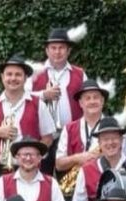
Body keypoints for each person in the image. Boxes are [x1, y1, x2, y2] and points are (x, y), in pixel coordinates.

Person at [0, 55, 55, 188]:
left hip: (30, 171)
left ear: (25, 78)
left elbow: (48, 138)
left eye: (18, 75)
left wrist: (33, 156)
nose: (13, 78)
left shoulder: (38, 104)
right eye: (9, 74)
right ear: (2, 77)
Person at [26, 24, 88, 175]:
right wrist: (42, 95)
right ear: (47, 50)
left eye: (61, 48)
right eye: (53, 48)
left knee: (69, 179)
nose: (57, 52)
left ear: (68, 51)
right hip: (42, 136)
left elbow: (89, 101)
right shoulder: (34, 72)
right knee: (41, 177)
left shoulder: (80, 74)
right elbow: (22, 99)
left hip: (71, 136)